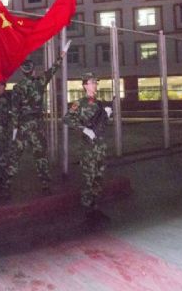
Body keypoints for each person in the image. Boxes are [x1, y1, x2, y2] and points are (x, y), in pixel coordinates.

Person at [10, 43, 70, 193]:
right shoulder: (40, 83)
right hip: (37, 124)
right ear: (33, 71)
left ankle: (6, 185)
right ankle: (45, 184)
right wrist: (62, 54)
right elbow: (53, 69)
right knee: (40, 155)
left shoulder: (17, 88)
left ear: (23, 71)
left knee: (15, 156)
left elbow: (14, 109)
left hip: (23, 125)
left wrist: (15, 128)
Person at [63, 72, 112, 219]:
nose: (95, 84)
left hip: (100, 146)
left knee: (99, 177)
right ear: (85, 85)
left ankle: (96, 207)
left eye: (96, 82)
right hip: (87, 147)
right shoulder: (79, 103)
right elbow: (66, 119)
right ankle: (87, 210)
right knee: (88, 178)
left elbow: (102, 125)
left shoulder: (99, 103)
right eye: (92, 82)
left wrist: (107, 115)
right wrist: (84, 129)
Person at [0, 80, 18, 196]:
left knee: (1, 157)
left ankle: (6, 182)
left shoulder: (4, 98)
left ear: (2, 86)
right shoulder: (0, 98)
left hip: (2, 133)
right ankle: (4, 178)